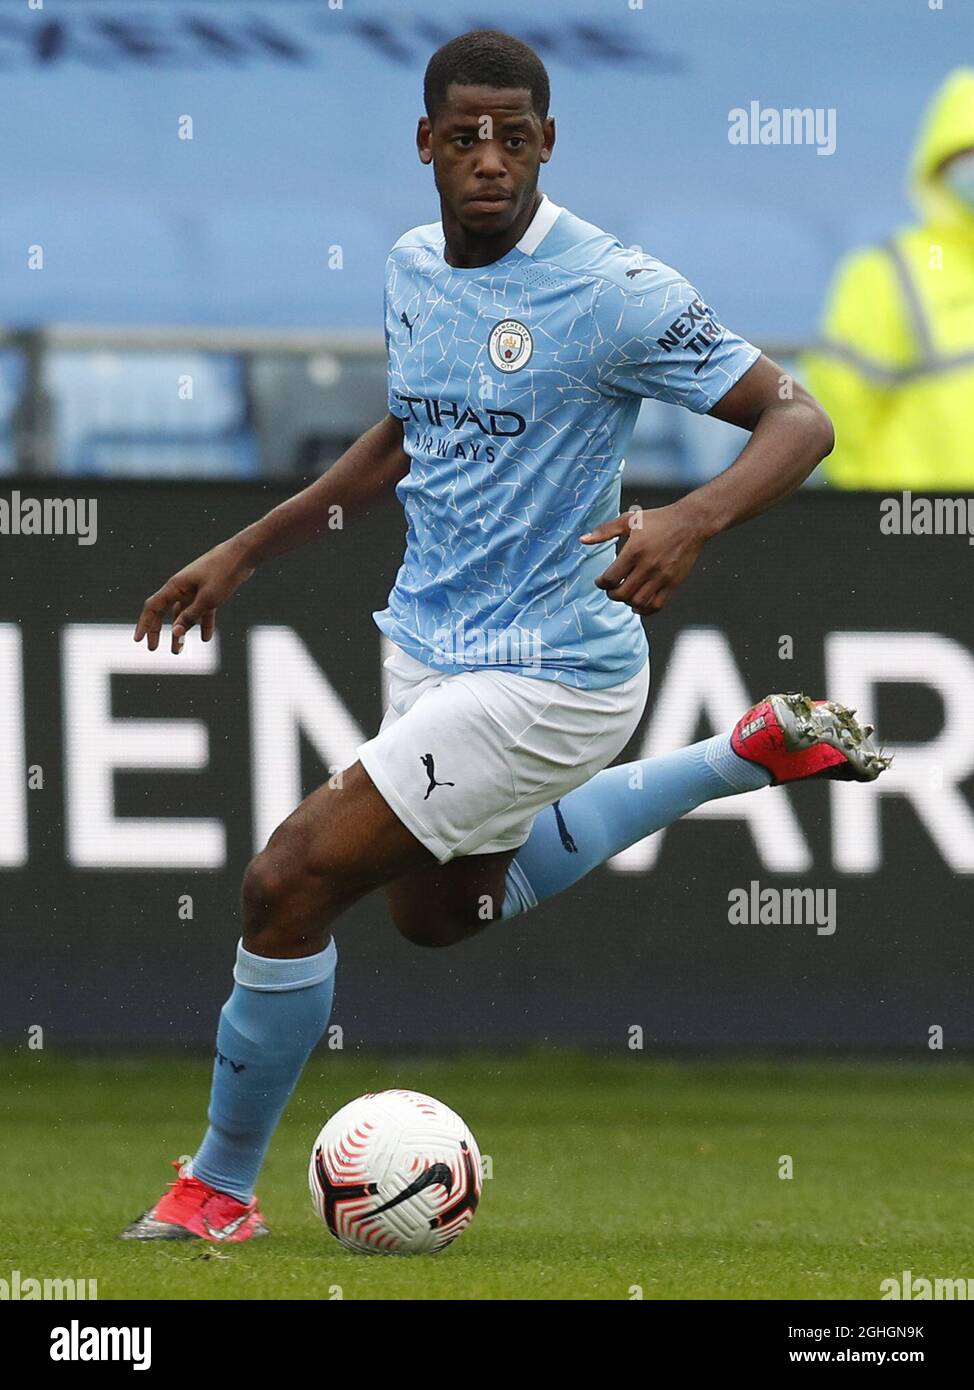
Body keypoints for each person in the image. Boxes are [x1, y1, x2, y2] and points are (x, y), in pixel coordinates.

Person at [123, 30, 887, 1243]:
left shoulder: (610, 288)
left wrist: (688, 518)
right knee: (434, 917)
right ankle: (738, 756)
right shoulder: (410, 266)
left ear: (547, 143)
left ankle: (215, 1187)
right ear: (425, 144)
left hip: (558, 669)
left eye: (513, 137)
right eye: (465, 135)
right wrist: (243, 549)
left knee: (289, 877)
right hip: (430, 650)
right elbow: (403, 431)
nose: (490, 159)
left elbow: (798, 417)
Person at [803, 68, 974, 489]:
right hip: (916, 537)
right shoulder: (883, 274)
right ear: (939, 165)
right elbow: (837, 414)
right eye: (966, 154)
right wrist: (876, 526)